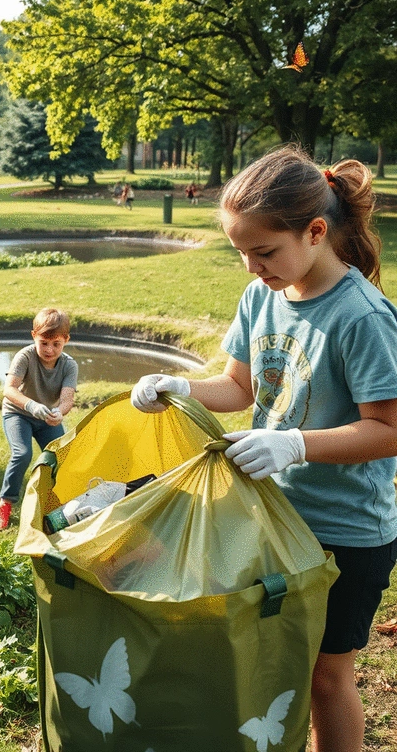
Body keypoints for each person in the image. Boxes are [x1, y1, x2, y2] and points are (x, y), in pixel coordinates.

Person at [131, 146, 397, 752]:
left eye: (265, 251)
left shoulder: (362, 317)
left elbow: (389, 429)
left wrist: (294, 445)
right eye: (241, 253)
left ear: (316, 231)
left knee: (327, 678)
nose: (252, 267)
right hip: (272, 518)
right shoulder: (262, 297)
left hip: (347, 532)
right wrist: (179, 388)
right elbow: (238, 386)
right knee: (273, 662)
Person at [0, 308, 78, 531]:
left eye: (56, 344)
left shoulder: (70, 365)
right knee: (22, 453)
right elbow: (9, 390)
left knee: (61, 456)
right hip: (18, 413)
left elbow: (67, 399)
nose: (49, 350)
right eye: (44, 343)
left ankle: (57, 504)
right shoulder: (25, 356)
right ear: (34, 337)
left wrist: (59, 412)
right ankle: (5, 503)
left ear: (65, 340)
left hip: (46, 417)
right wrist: (31, 405)